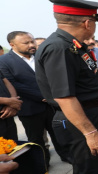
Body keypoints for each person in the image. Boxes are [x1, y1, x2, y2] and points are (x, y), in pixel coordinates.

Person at [35, 0, 98, 174]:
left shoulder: (72, 46)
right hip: (82, 120)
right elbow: (65, 97)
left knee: (92, 173)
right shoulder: (60, 48)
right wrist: (91, 133)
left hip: (90, 115)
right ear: (88, 23)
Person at [0, 31, 70, 167]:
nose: (31, 45)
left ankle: (66, 155)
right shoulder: (4, 61)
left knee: (58, 133)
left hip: (52, 104)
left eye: (32, 41)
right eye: (26, 43)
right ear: (12, 44)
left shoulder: (41, 55)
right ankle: (43, 163)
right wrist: (43, 96)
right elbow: (13, 83)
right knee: (37, 138)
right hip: (29, 107)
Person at [0, 71, 22, 140]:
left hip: (7, 115)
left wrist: (13, 102)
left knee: (13, 146)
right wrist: (8, 101)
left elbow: (6, 81)